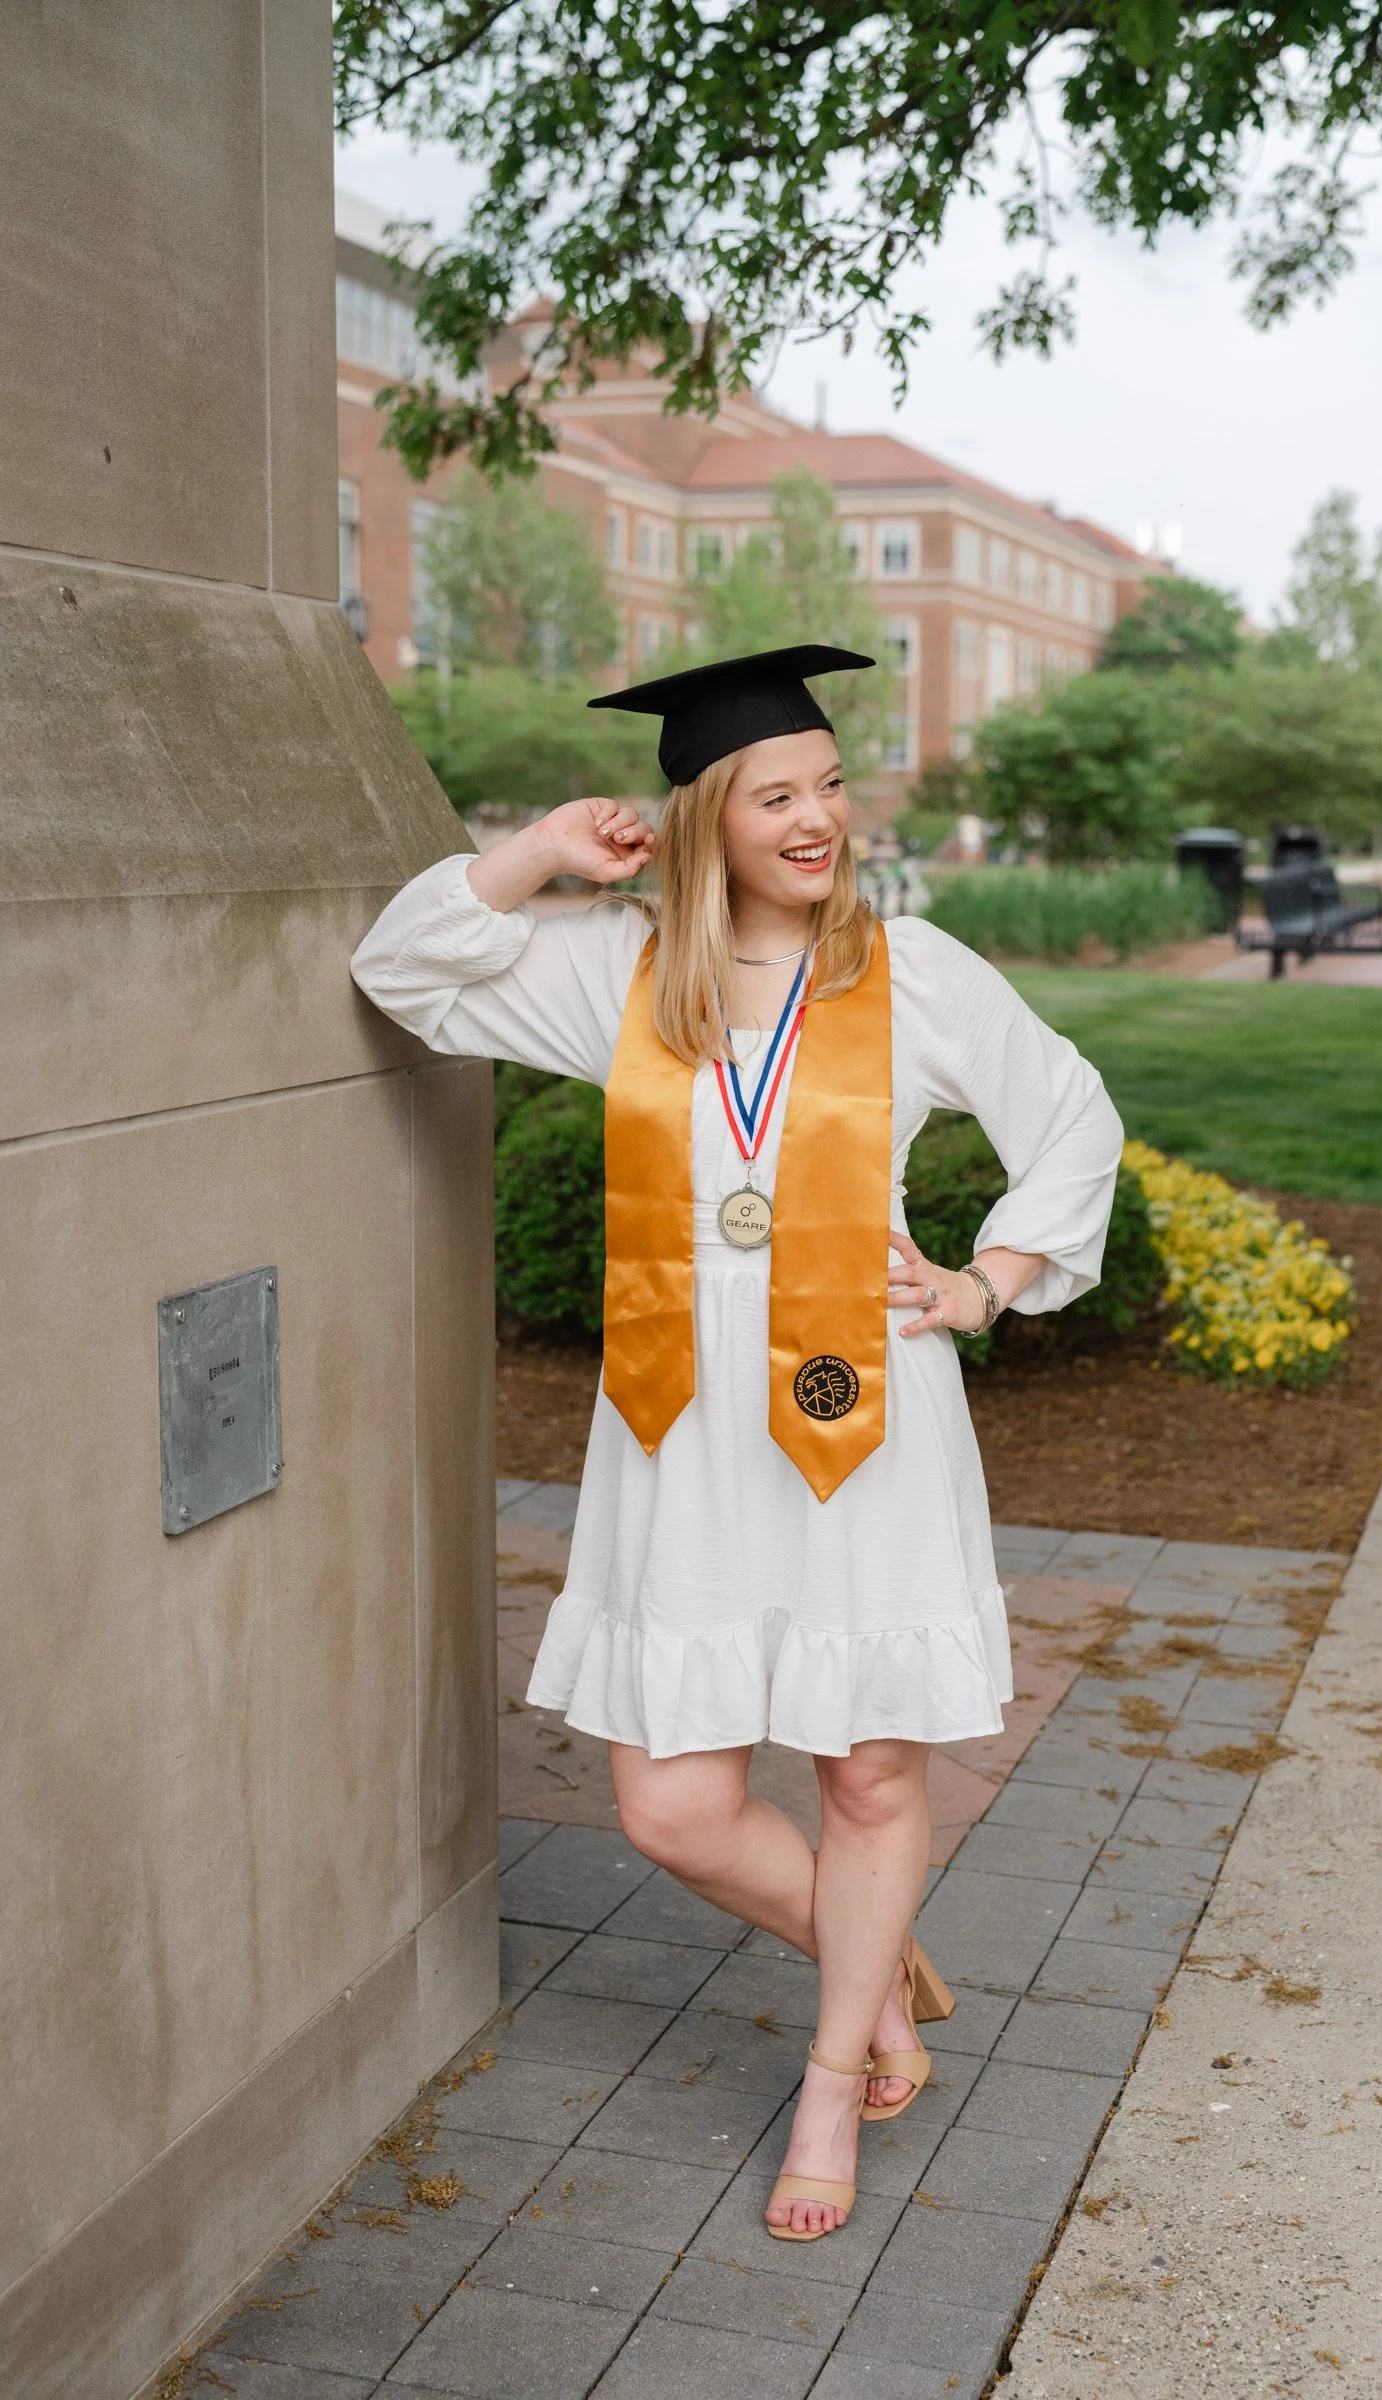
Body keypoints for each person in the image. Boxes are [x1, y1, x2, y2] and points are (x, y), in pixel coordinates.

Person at [351, 646, 1123, 2240]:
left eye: (831, 786)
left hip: (860, 1415)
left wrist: (986, 1282)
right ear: (706, 816)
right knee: (672, 1806)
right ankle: (871, 1954)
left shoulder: (911, 970)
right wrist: (536, 857)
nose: (819, 818)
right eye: (779, 794)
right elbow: (400, 971)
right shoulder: (615, 976)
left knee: (870, 1768)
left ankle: (837, 2074)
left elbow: (1073, 1115)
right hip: (682, 1432)